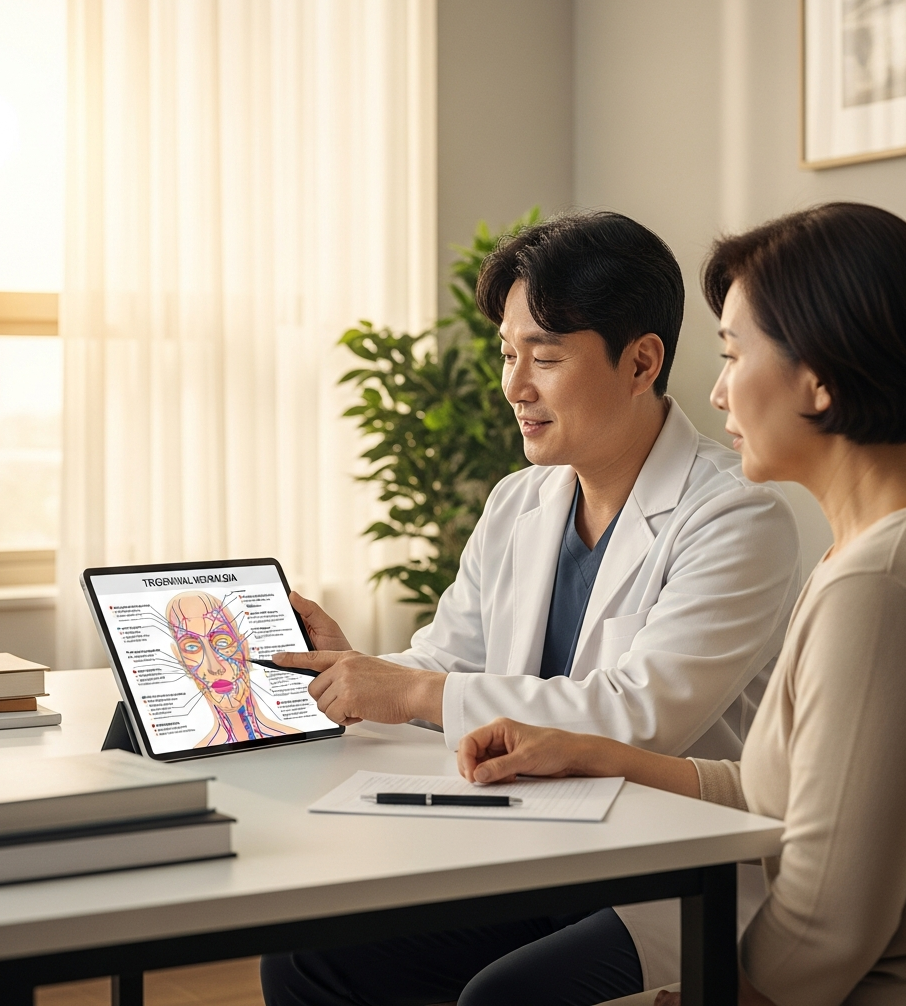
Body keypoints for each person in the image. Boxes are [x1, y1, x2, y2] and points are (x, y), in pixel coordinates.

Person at [261, 212, 801, 1005]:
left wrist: (411, 689)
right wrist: (359, 670)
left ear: (642, 361)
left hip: (653, 870)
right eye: (508, 354)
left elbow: (640, 715)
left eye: (544, 358)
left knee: (506, 996)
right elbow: (447, 664)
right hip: (521, 844)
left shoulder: (737, 517)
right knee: (308, 959)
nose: (514, 386)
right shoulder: (521, 501)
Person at [457, 202, 906, 1006]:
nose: (718, 390)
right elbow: (772, 794)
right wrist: (592, 752)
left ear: (821, 376)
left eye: (735, 354)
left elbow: (826, 927)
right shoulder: (861, 559)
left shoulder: (873, 583)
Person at [166, 591, 299, 744]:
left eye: (222, 642)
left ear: (244, 648)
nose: (214, 668)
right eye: (191, 647)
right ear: (180, 659)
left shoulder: (297, 740)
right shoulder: (193, 759)